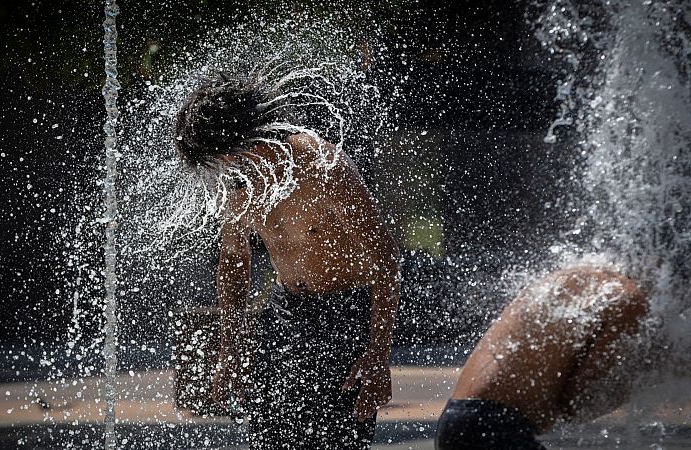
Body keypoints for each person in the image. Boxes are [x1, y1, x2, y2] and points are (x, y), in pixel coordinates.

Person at [174, 74, 401, 449]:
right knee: (268, 438)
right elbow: (233, 261)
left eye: (224, 160)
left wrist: (378, 356)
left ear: (241, 141)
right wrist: (230, 349)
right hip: (283, 312)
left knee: (336, 439)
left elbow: (385, 257)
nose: (225, 171)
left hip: (344, 314)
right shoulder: (240, 189)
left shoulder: (322, 165)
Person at [435, 266, 651, 450]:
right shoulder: (629, 298)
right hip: (495, 427)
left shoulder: (578, 276)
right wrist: (641, 379)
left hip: (456, 419)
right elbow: (575, 403)